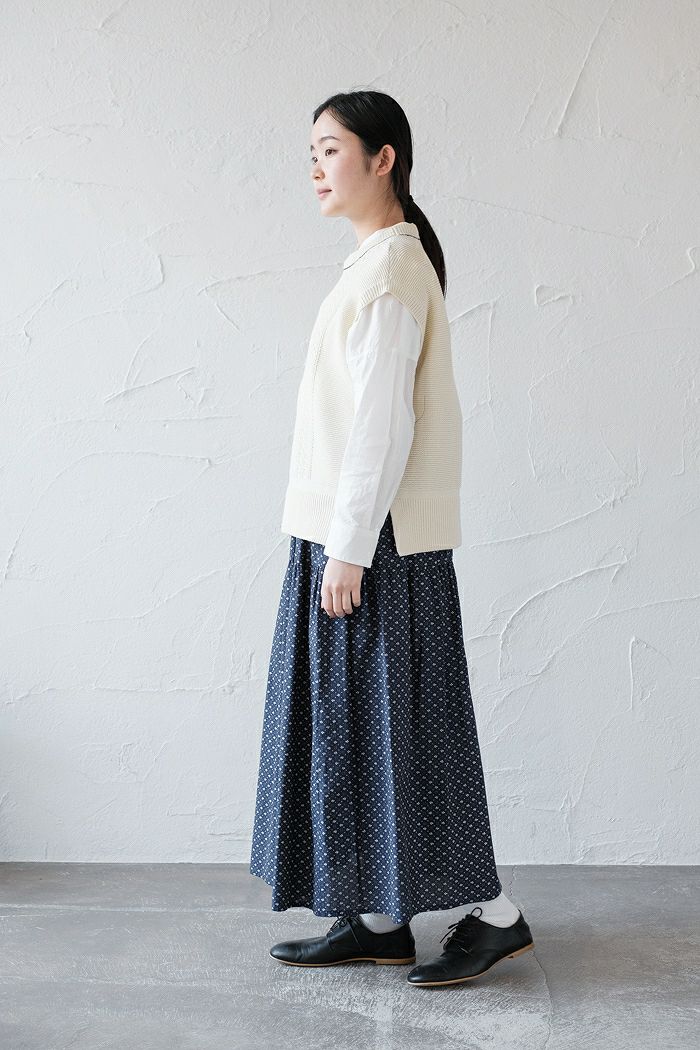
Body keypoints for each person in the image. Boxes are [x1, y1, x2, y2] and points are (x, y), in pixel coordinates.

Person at [249, 89, 535, 988]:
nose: (316, 167)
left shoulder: (391, 273)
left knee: (405, 734)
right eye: (311, 152)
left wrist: (348, 548)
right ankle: (379, 921)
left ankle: (497, 916)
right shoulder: (376, 265)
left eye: (331, 149)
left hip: (376, 545)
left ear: (385, 160)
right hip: (353, 537)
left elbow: (382, 427)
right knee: (365, 734)